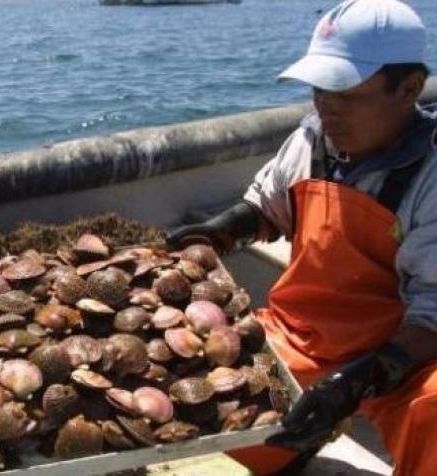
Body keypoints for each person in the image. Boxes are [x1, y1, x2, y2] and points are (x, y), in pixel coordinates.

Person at [166, 0, 437, 474]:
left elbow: (432, 317)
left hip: (401, 356)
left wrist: (358, 382)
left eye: (345, 91)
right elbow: (266, 208)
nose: (325, 106)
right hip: (301, 337)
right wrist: (220, 232)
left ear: (409, 88)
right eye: (319, 88)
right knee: (193, 392)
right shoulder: (314, 139)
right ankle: (294, 446)